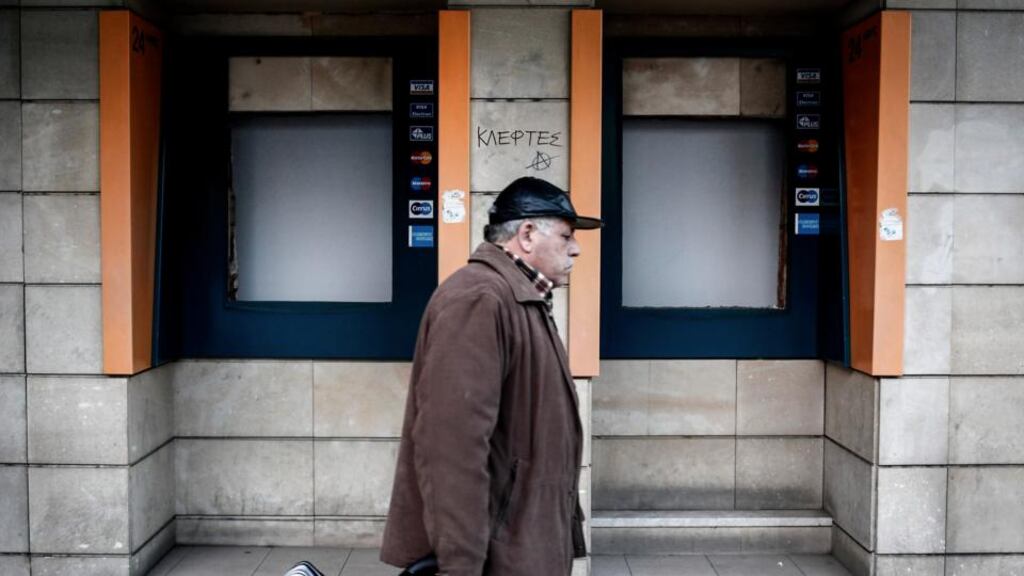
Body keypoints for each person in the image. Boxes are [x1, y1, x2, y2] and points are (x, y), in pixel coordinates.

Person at [380, 177, 602, 576]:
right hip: (499, 556)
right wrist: (461, 566)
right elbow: (451, 449)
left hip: (520, 546)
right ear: (527, 234)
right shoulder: (480, 298)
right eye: (567, 235)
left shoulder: (521, 298)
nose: (577, 248)